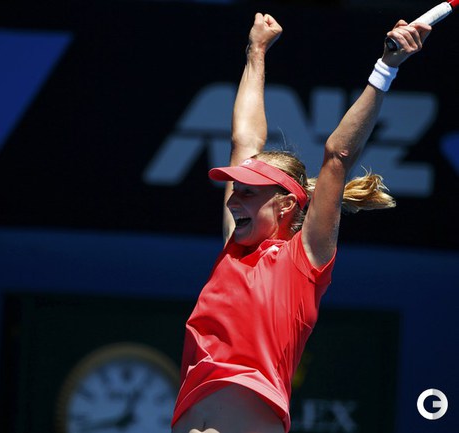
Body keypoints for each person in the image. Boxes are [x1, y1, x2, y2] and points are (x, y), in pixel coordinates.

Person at [171, 11, 431, 433]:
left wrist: (386, 66)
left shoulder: (304, 261)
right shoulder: (233, 249)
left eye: (249, 193)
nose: (234, 200)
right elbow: (244, 140)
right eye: (236, 190)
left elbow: (338, 156)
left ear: (286, 205)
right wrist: (256, 52)